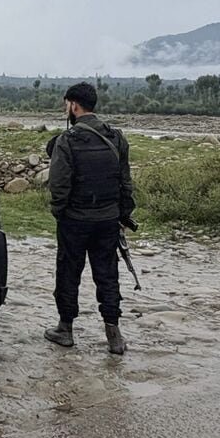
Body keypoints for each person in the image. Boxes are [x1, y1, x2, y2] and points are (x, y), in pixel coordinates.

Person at [44, 82, 134, 354]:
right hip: (108, 220)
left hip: (74, 220)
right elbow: (125, 183)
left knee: (68, 273)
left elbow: (59, 185)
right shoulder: (116, 137)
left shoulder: (66, 140)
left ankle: (65, 329)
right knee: (108, 275)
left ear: (73, 105)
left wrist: (60, 212)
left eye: (66, 104)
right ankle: (114, 335)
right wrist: (122, 215)